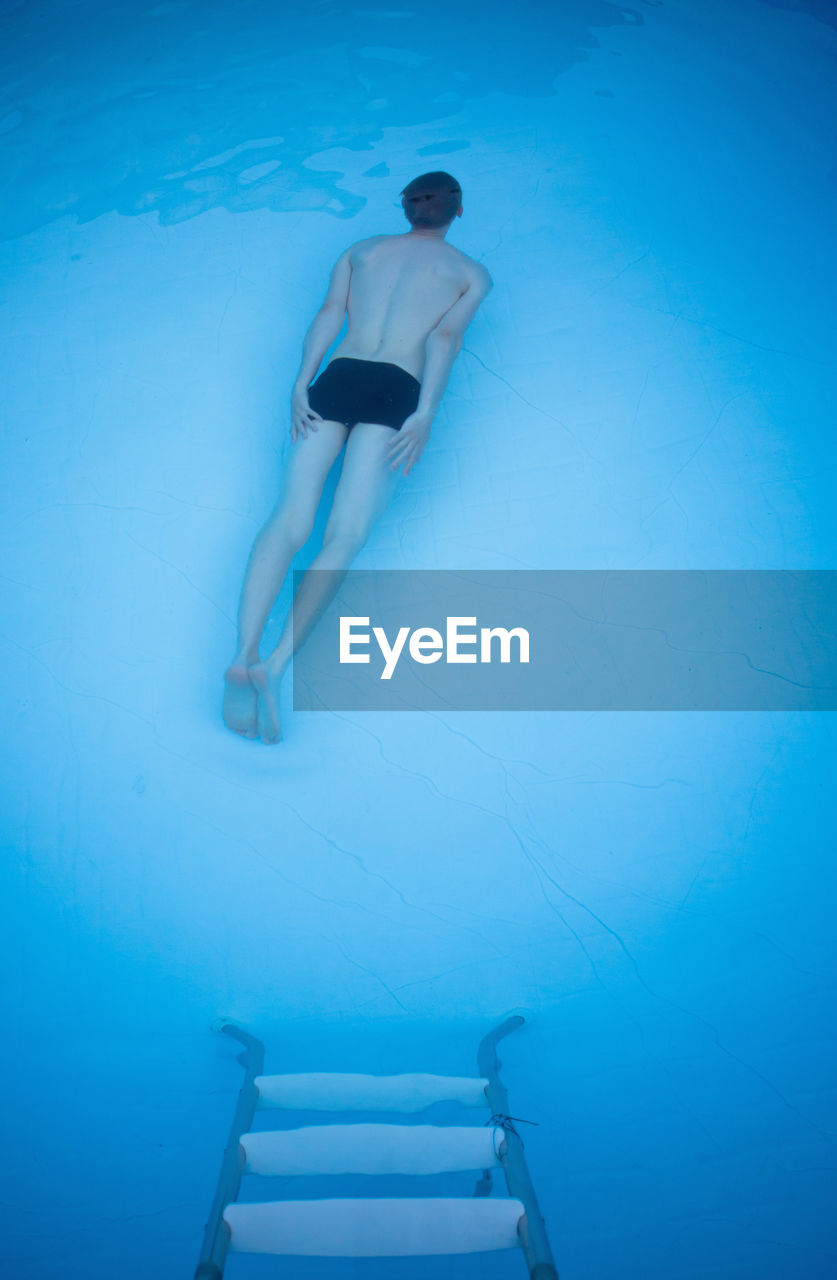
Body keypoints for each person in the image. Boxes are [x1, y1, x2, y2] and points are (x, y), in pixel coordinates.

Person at [222, 171, 493, 743]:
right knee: (343, 536)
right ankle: (273, 665)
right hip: (397, 386)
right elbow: (443, 341)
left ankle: (242, 652)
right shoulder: (470, 274)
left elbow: (328, 315)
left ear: (404, 210)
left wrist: (301, 384)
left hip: (338, 376)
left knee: (288, 520)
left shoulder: (362, 251)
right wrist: (425, 414)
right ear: (457, 210)